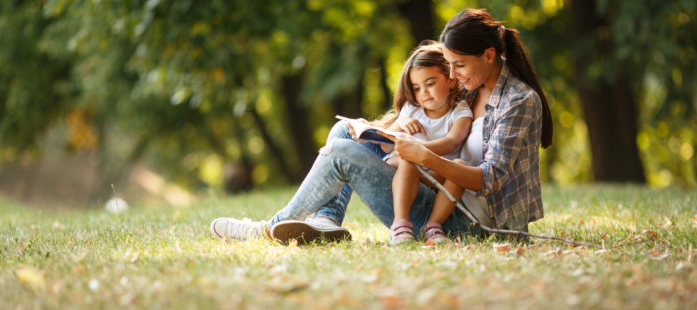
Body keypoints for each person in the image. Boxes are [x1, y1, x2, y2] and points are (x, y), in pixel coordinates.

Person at [209, 8, 553, 244]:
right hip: (436, 190)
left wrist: (424, 156)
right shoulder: (470, 83)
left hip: (469, 221)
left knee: (342, 152)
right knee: (346, 132)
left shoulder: (518, 101)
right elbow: (425, 113)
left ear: (490, 55)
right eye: (448, 65)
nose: (451, 75)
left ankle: (267, 229)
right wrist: (380, 130)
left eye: (457, 65)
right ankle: (327, 220)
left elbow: (491, 178)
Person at [371, 43, 472, 244]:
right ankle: (400, 226)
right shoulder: (412, 109)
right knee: (410, 160)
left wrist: (421, 151)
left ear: (451, 80)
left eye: (430, 83)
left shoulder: (460, 111)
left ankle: (433, 227)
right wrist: (400, 123)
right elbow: (385, 146)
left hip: (434, 172)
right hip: (402, 166)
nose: (423, 92)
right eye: (417, 88)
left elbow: (452, 142)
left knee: (460, 167)